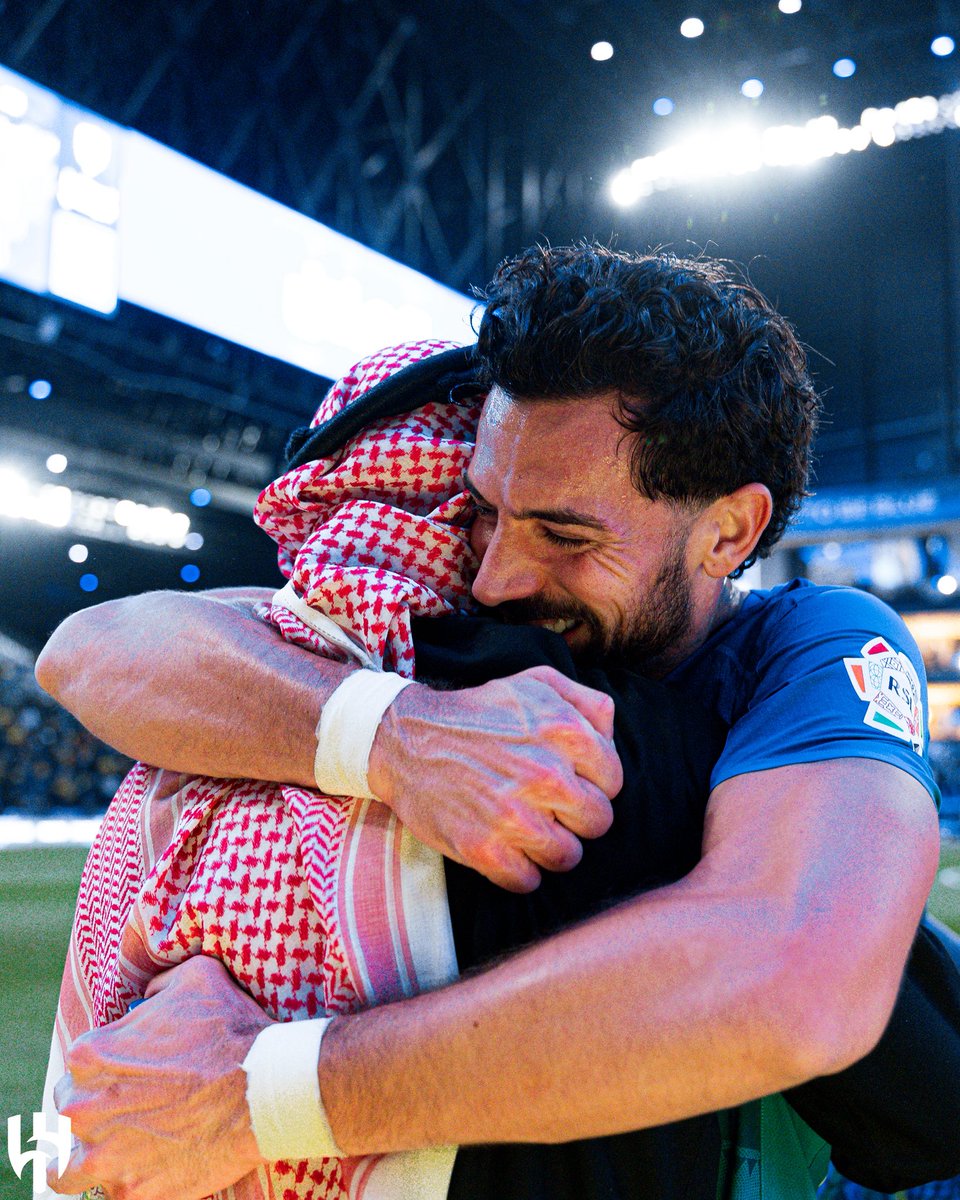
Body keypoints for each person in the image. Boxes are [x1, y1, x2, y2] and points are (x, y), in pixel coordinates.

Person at [38, 245, 959, 1200]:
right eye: (483, 511)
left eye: (564, 535)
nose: (495, 577)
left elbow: (795, 980)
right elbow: (94, 647)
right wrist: (389, 735)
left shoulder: (810, 643)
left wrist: (262, 1094)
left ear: (728, 531)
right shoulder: (457, 611)